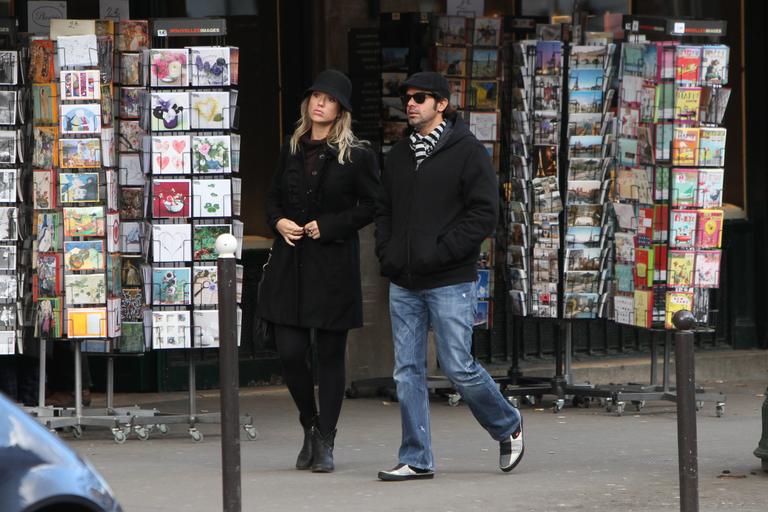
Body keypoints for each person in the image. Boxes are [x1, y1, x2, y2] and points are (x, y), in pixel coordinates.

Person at [374, 71, 524, 481]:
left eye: (420, 98)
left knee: (458, 365)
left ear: (442, 104)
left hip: (449, 279)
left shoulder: (466, 151)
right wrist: (387, 253)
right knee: (407, 370)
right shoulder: (399, 154)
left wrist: (440, 253)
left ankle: (507, 425)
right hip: (403, 280)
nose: (410, 103)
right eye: (407, 97)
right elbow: (383, 208)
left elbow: (483, 214)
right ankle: (417, 457)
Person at [257, 69, 380, 473]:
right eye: (315, 96)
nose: (319, 102)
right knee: (291, 352)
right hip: (291, 264)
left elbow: (371, 205)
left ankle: (326, 439)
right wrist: (278, 222)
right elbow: (272, 197)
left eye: (328, 98)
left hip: (331, 267)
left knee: (329, 355)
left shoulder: (357, 154)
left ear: (340, 109)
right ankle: (309, 424)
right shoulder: (291, 148)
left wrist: (330, 225)